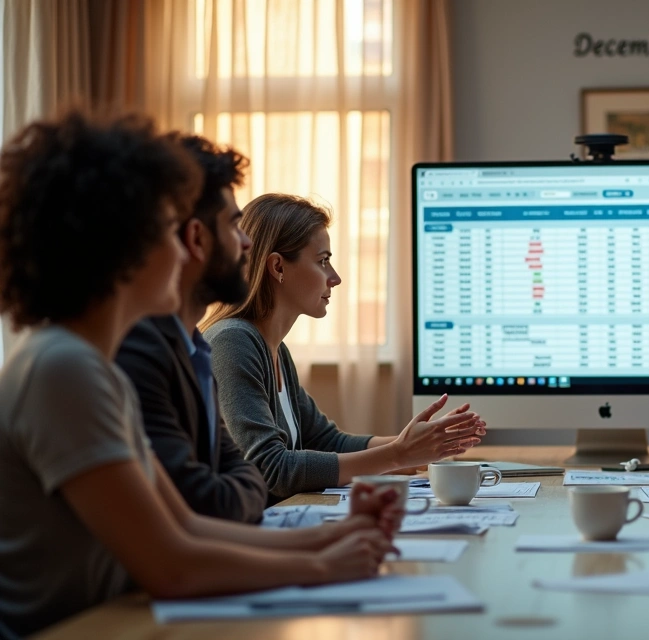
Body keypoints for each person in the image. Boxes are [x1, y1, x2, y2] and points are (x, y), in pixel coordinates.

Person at [0, 111, 399, 639]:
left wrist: (336, 536)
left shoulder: (91, 367)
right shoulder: (62, 368)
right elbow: (172, 566)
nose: (183, 249)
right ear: (122, 245)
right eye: (168, 230)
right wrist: (322, 566)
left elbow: (186, 527)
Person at [202, 193, 486, 503]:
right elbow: (273, 469)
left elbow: (328, 441)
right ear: (278, 266)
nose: (335, 278)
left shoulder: (275, 351)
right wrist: (399, 453)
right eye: (323, 261)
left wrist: (423, 443)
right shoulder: (233, 342)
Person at [115, 134, 268, 523]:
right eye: (235, 225)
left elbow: (241, 471)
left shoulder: (195, 347)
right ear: (197, 238)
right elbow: (201, 502)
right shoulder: (136, 350)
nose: (247, 243)